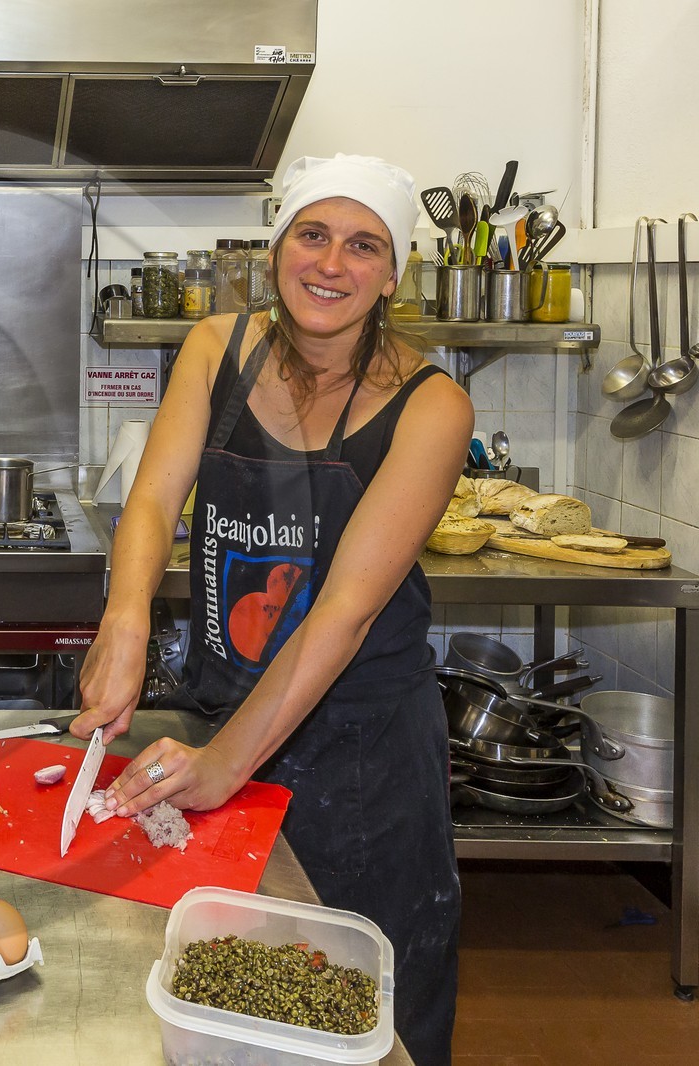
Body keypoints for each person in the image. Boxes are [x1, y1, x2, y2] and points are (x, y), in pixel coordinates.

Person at [73, 154, 470, 1065]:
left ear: (394, 274)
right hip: (223, 701)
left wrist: (225, 764)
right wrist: (126, 618)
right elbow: (151, 500)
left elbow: (343, 613)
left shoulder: (432, 406)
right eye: (312, 235)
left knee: (360, 1000)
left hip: (363, 751)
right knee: (221, 982)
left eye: (364, 246)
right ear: (277, 247)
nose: (331, 264)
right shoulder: (217, 348)